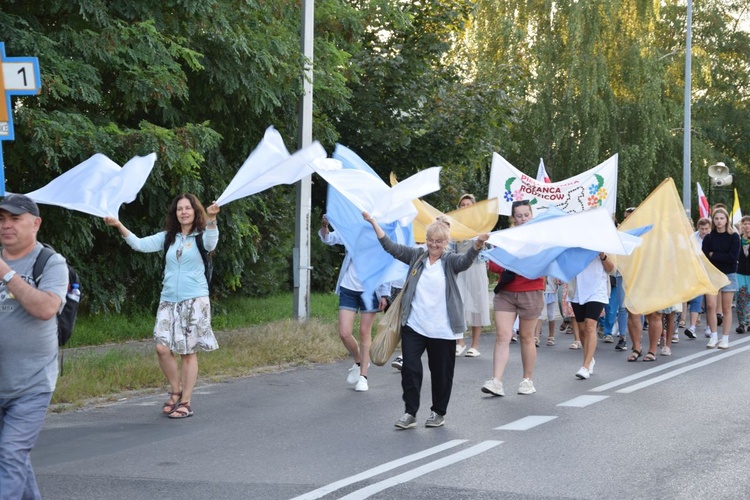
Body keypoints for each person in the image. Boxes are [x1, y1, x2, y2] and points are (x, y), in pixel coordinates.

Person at [363, 211, 488, 429]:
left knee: (441, 373)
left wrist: (476, 246)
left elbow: (465, 261)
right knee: (410, 368)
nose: (433, 244)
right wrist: (373, 222)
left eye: (438, 241)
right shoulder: (417, 256)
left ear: (446, 242)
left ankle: (438, 412)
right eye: (430, 240)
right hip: (415, 325)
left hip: (443, 329)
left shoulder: (450, 261)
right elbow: (391, 247)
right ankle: (410, 412)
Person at [104, 193, 220, 418]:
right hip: (168, 300)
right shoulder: (168, 237)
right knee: (162, 347)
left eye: (187, 208)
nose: (183, 212)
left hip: (194, 299)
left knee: (187, 352)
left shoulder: (201, 236)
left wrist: (212, 219)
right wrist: (119, 225)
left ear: (195, 212)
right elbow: (139, 245)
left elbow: (211, 242)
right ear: (175, 213)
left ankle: (186, 402)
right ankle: (175, 390)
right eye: (179, 209)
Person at [0, 194, 69, 499]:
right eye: (1, 220)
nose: (6, 225)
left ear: (35, 223)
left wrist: (6, 274)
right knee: (13, 458)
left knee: (10, 453)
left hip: (31, 383)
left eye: (14, 219)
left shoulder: (50, 263)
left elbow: (45, 308)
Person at [319, 215, 389, 392]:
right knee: (344, 332)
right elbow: (328, 239)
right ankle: (359, 362)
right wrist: (325, 226)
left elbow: (385, 267)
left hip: (371, 290)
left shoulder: (380, 235)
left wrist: (385, 294)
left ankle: (363, 377)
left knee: (364, 332)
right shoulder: (352, 232)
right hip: (348, 288)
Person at [482, 200, 545, 397]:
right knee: (503, 336)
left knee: (527, 336)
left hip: (531, 291)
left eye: (526, 215)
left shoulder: (541, 238)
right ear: (513, 218)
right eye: (519, 216)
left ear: (531, 215)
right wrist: (512, 265)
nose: (523, 219)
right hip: (506, 292)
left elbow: (543, 264)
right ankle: (496, 381)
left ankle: (527, 380)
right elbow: (493, 265)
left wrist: (518, 263)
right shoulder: (505, 238)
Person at [454, 194, 491, 358]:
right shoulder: (454, 225)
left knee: (477, 304)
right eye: (463, 204)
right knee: (457, 303)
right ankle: (459, 342)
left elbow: (488, 249)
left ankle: (475, 345)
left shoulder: (482, 225)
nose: (466, 207)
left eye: (469, 204)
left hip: (477, 267)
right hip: (460, 267)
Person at [570, 252, 614, 379]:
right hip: (578, 289)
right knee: (582, 329)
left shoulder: (603, 244)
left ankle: (585, 366)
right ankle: (589, 360)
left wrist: (602, 255)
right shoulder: (575, 245)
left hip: (597, 290)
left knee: (590, 326)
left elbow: (611, 269)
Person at [702, 206, 740, 349]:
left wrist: (714, 255)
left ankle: (725, 338)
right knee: (711, 306)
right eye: (716, 218)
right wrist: (713, 256)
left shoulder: (734, 236)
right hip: (712, 274)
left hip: (728, 274)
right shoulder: (709, 237)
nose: (719, 221)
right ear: (713, 220)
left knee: (726, 308)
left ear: (726, 220)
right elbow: (705, 257)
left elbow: (733, 257)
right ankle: (713, 336)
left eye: (721, 218)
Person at [684, 217, 711, 339]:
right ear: (698, 228)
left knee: (710, 303)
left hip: (710, 272)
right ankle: (692, 326)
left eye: (706, 229)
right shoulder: (693, 238)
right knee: (696, 299)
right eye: (702, 229)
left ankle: (709, 326)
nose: (704, 231)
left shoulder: (713, 238)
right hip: (696, 271)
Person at [735, 216, 750, 334]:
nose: (746, 226)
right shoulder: (738, 240)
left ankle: (749, 322)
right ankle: (742, 323)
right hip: (740, 272)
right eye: (744, 224)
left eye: (749, 224)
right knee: (741, 296)